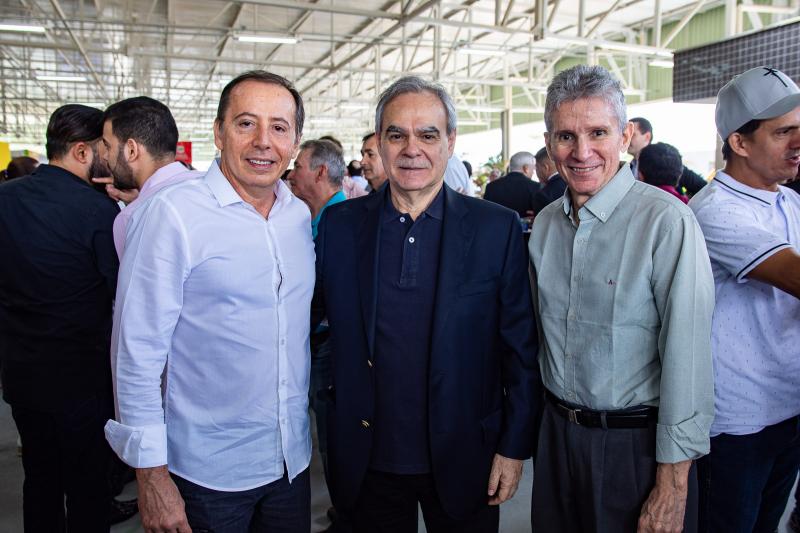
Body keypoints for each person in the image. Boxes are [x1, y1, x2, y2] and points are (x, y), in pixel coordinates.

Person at [312, 75, 540, 533]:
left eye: (428, 135)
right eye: (397, 135)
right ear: (379, 142)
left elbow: (520, 349)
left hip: (466, 454)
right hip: (367, 459)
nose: (411, 149)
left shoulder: (496, 229)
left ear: (450, 142)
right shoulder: (339, 226)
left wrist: (513, 448)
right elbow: (311, 323)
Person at [105, 70, 315, 533]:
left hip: (290, 461)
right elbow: (136, 353)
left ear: (295, 142)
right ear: (218, 132)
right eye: (246, 123)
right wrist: (151, 476)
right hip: (205, 473)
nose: (263, 142)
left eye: (279, 127)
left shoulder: (297, 217)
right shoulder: (173, 214)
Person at [529, 65, 715, 533]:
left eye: (598, 133)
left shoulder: (666, 222)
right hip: (556, 440)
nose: (582, 152)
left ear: (626, 136)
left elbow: (689, 356)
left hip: (636, 449)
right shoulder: (544, 226)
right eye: (566, 136)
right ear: (549, 143)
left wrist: (673, 482)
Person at [689, 65, 800, 533]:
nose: (797, 142)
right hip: (739, 422)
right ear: (739, 142)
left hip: (789, 405)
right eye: (783, 132)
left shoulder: (789, 202)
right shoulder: (715, 211)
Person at [0, 104, 120, 532]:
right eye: (105, 148)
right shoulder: (97, 211)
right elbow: (120, 293)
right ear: (83, 151)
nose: (111, 158)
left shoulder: (6, 198)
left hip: (21, 372)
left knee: (40, 479)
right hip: (81, 379)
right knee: (88, 488)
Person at [98, 96, 202, 258]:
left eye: (108, 146)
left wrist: (140, 204)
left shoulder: (132, 218)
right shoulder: (214, 188)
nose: (104, 156)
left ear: (131, 150)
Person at [628, 116, 707, 196]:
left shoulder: (665, 162)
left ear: (647, 137)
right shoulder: (628, 167)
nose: (627, 138)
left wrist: (686, 202)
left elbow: (703, 188)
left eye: (632, 134)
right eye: (626, 134)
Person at [483, 151, 541, 218]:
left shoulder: (491, 187)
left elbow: (485, 213)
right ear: (526, 168)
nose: (533, 172)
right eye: (533, 169)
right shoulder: (535, 187)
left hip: (496, 224)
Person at [530, 147, 566, 216]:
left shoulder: (543, 196)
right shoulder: (576, 187)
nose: (536, 172)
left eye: (537, 168)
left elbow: (542, 222)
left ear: (546, 167)